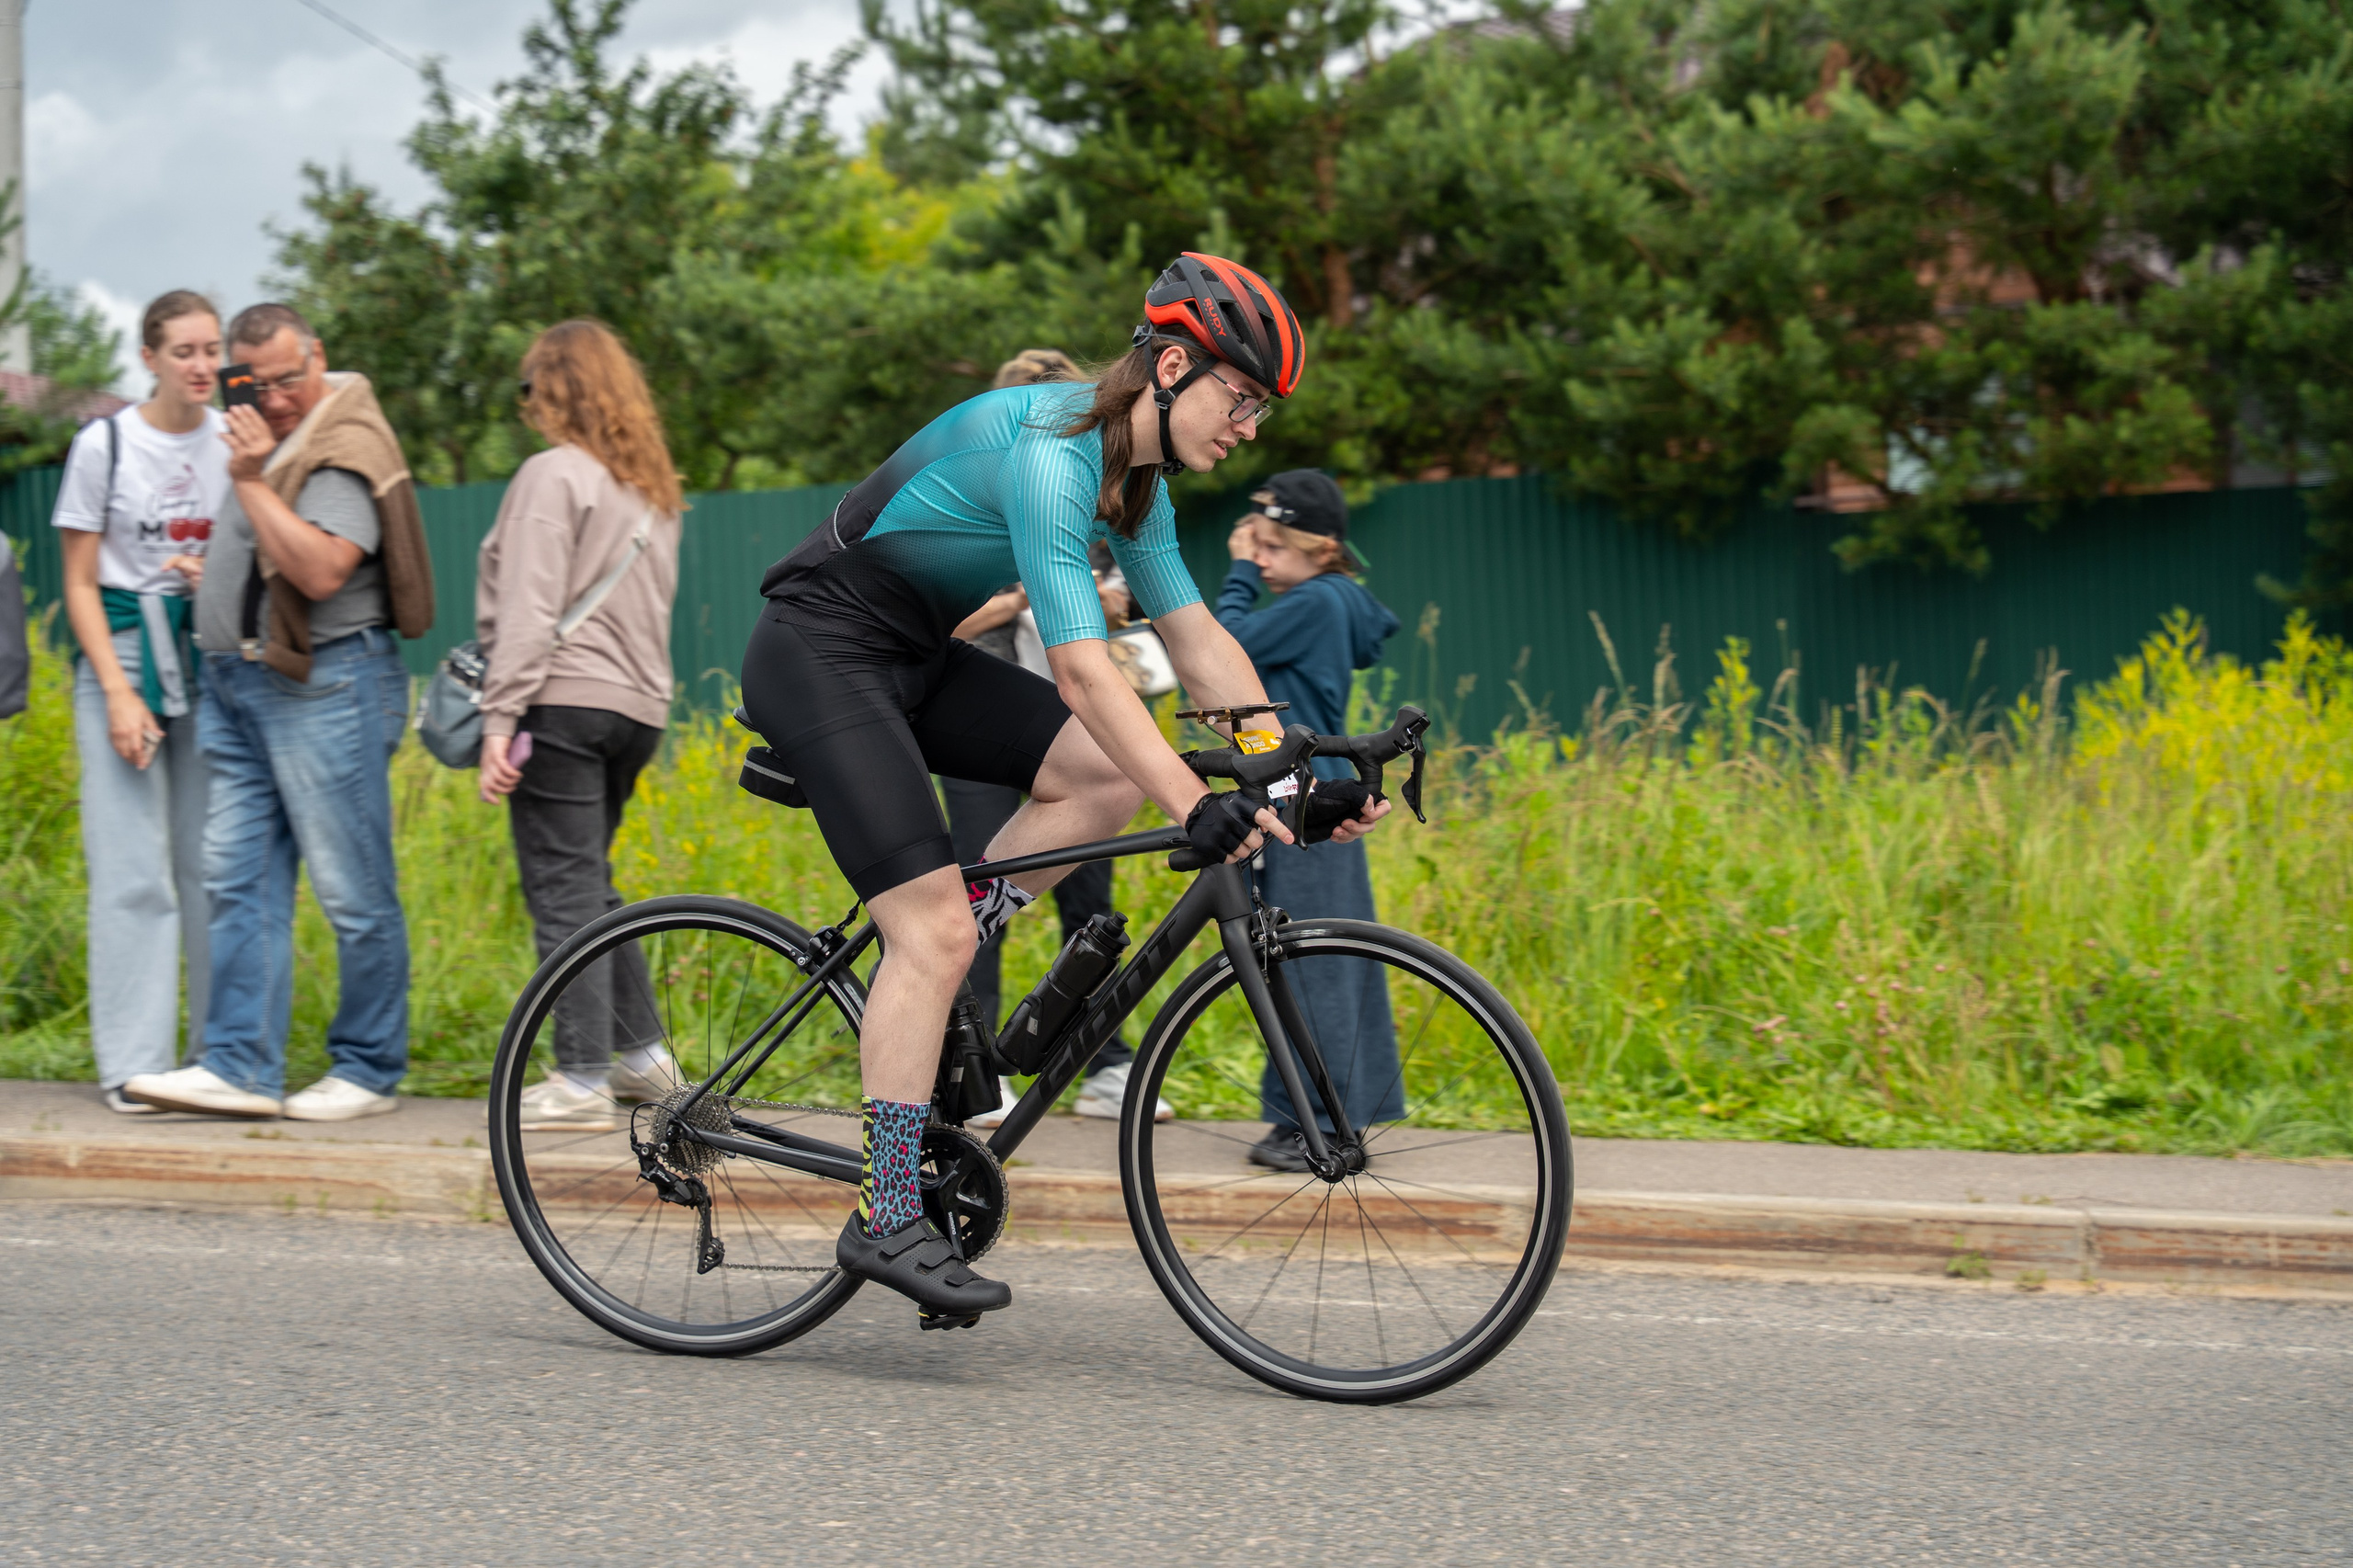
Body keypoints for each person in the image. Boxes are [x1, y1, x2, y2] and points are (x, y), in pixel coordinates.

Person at [739, 253, 1388, 1322]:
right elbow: (1085, 672)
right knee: (934, 930)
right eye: (1241, 398)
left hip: (913, 654)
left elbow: (1195, 640)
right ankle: (884, 1206)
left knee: (1097, 782)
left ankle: (943, 954)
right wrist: (1194, 801)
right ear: (1171, 367)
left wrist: (1293, 771)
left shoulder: (1137, 485)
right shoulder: (1054, 452)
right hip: (819, 648)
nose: (1249, 428)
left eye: (1261, 410)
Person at [125, 303, 434, 1121]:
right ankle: (239, 1067)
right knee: (237, 880)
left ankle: (368, 1069)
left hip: (326, 688)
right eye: (253, 383)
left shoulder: (343, 442)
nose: (273, 396)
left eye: (287, 378)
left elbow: (322, 569)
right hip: (242, 687)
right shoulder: (271, 438)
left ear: (318, 357)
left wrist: (251, 481)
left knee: (351, 887)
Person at [943, 347, 1168, 1128]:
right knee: (981, 893)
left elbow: (1132, 604)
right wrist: (1017, 597)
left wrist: (1098, 594)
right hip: (980, 720)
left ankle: (1102, 1061)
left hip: (1076, 725)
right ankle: (971, 1068)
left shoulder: (1089, 500)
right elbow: (941, 625)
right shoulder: (973, 508)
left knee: (1089, 900)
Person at [472, 322, 687, 1131]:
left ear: (555, 389)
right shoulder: (651, 490)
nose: (527, 406)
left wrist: (499, 719)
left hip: (560, 701)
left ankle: (581, 1076)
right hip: (635, 709)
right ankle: (643, 1057)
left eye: (530, 389)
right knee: (588, 880)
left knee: (563, 889)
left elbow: (528, 612)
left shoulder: (551, 475)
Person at [51, 290, 229, 1112]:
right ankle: (134, 1066)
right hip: (122, 661)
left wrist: (211, 573)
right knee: (133, 869)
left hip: (208, 659)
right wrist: (119, 695)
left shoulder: (233, 440)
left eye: (211, 350)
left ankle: (213, 1059)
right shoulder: (106, 445)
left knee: (210, 864)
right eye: (184, 351)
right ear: (150, 358)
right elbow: (80, 582)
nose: (202, 365)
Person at [1216, 471, 1405, 1171]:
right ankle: (1314, 1117)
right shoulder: (1334, 599)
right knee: (1307, 959)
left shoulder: (1318, 600)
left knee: (1310, 964)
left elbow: (1224, 645)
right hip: (1305, 789)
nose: (1261, 559)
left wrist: (1238, 574)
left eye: (1274, 547)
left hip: (1302, 795)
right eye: (1256, 546)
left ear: (1322, 549)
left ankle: (1321, 1127)